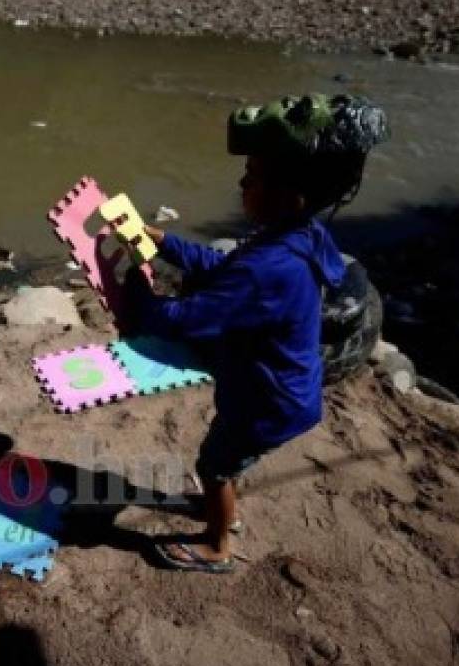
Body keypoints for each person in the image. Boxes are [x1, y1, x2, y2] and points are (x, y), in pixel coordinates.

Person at [124, 94, 390, 573]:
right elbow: (225, 268)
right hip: (283, 389)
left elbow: (185, 319)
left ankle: (218, 546)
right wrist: (167, 245)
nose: (241, 183)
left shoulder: (270, 268)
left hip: (266, 401)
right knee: (228, 461)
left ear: (290, 196)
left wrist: (136, 290)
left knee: (214, 465)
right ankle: (222, 506)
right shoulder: (299, 235)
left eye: (252, 177)